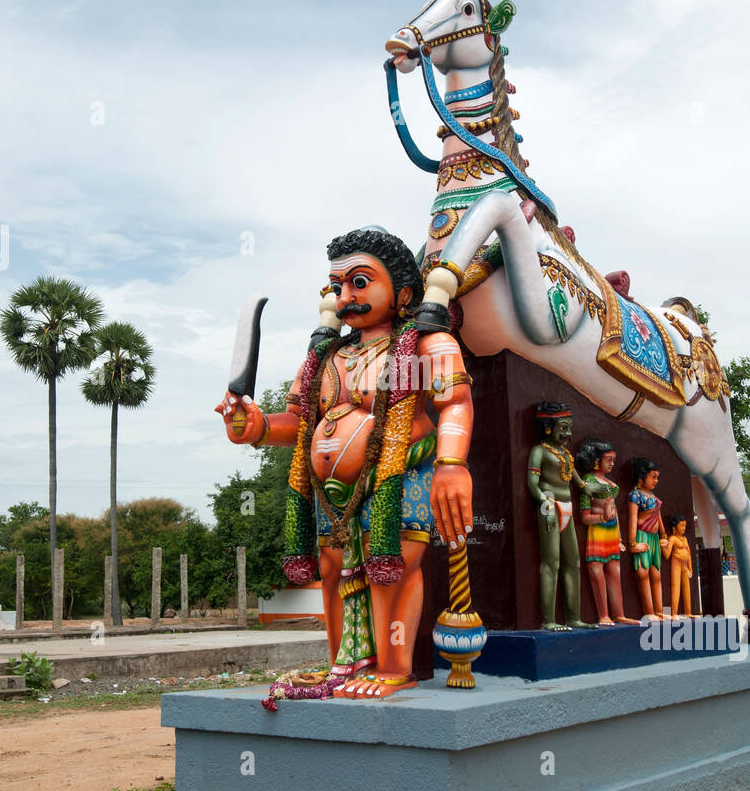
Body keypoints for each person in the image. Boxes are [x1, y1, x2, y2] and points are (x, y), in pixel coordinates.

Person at [216, 226, 473, 699]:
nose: (346, 297)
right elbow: (297, 420)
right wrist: (254, 427)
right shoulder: (327, 357)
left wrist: (453, 464)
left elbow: (454, 400)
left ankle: (393, 666)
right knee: (333, 570)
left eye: (359, 282)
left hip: (395, 475)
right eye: (337, 286)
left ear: (404, 292)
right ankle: (344, 664)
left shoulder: (419, 344)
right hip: (329, 494)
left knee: (389, 569)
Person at [527, 403, 594, 630]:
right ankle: (549, 620)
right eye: (563, 428)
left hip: (567, 507)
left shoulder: (565, 454)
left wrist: (591, 488)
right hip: (550, 506)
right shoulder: (540, 451)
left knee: (573, 562)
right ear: (547, 427)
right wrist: (545, 505)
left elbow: (579, 483)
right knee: (551, 562)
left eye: (569, 428)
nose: (569, 434)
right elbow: (532, 485)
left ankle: (574, 617)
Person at [575, 439, 637, 625]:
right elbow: (585, 517)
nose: (612, 463)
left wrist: (619, 537)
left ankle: (619, 613)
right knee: (597, 572)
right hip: (597, 532)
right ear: (596, 461)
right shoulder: (588, 482)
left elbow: (614, 511)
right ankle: (604, 614)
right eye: (608, 459)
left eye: (613, 459)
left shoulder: (610, 485)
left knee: (615, 572)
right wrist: (602, 518)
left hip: (611, 533)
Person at [627, 458, 672, 619]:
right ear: (641, 478)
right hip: (642, 536)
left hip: (654, 538)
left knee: (657, 575)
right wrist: (632, 543)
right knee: (643, 573)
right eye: (653, 476)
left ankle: (660, 611)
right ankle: (649, 612)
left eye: (657, 477)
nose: (656, 480)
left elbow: (658, 516)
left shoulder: (652, 496)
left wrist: (664, 535)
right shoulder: (635, 495)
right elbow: (633, 519)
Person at [667, 513, 694, 617]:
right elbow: (667, 555)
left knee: (687, 588)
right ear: (675, 527)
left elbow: (689, 555)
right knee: (676, 587)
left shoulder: (685, 539)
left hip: (685, 565)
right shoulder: (672, 538)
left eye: (685, 525)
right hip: (676, 563)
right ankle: (674, 613)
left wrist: (690, 569)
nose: (684, 528)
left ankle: (688, 612)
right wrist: (663, 545)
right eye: (682, 525)